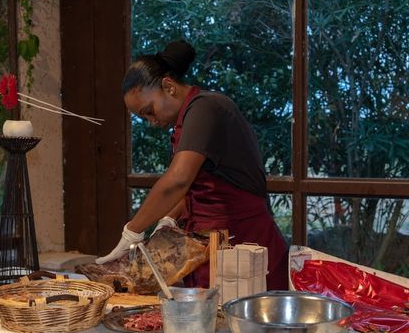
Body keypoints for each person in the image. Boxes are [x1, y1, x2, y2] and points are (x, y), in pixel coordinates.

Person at [96, 40, 288, 290]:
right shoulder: (186, 119)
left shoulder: (206, 108)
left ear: (168, 86)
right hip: (212, 246)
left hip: (244, 245)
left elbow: (178, 180)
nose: (151, 121)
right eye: (143, 117)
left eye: (149, 111)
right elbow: (201, 187)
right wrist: (168, 218)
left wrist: (132, 232)